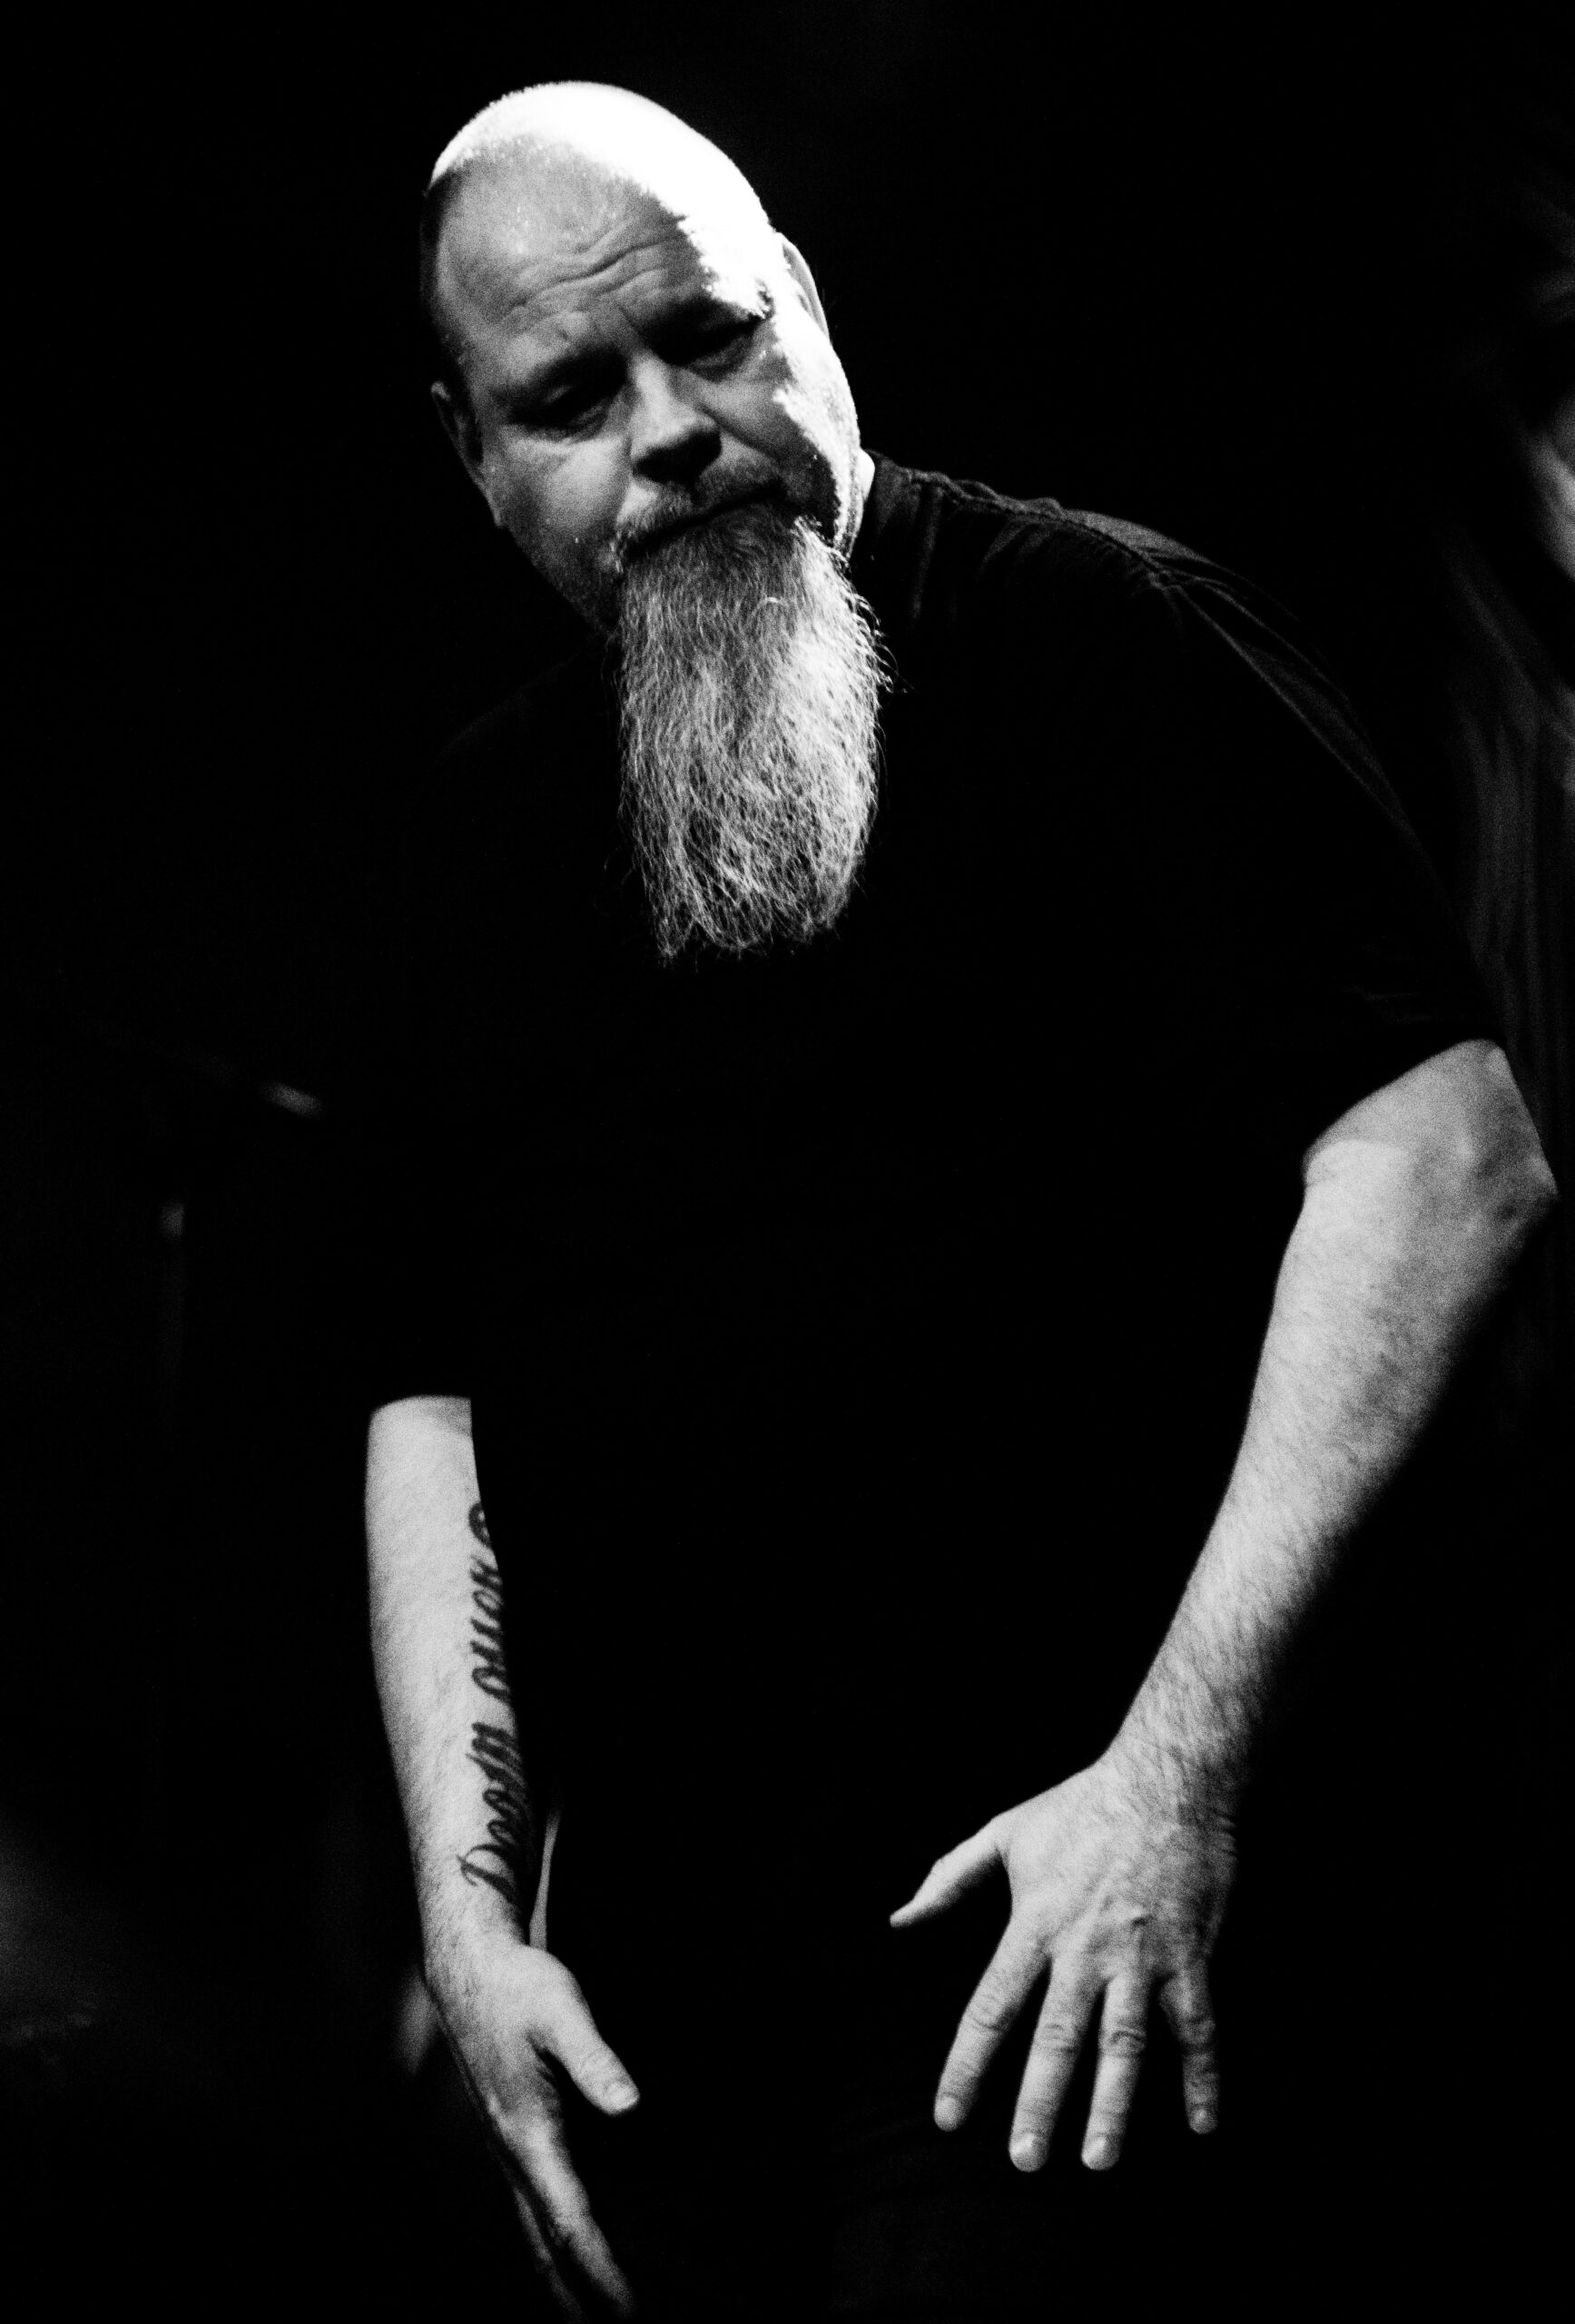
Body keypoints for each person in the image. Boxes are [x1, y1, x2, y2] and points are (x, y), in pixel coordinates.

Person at [359, 81, 1556, 2319]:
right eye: (573, 397)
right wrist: (469, 1918)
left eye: (710, 337)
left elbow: (1442, 1161)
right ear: (474, 453)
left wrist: (1168, 1778)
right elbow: (433, 1392)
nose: (673, 430)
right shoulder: (476, 842)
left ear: (804, 307)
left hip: (1051, 1963)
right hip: (665, 2020)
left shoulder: (1102, 638)